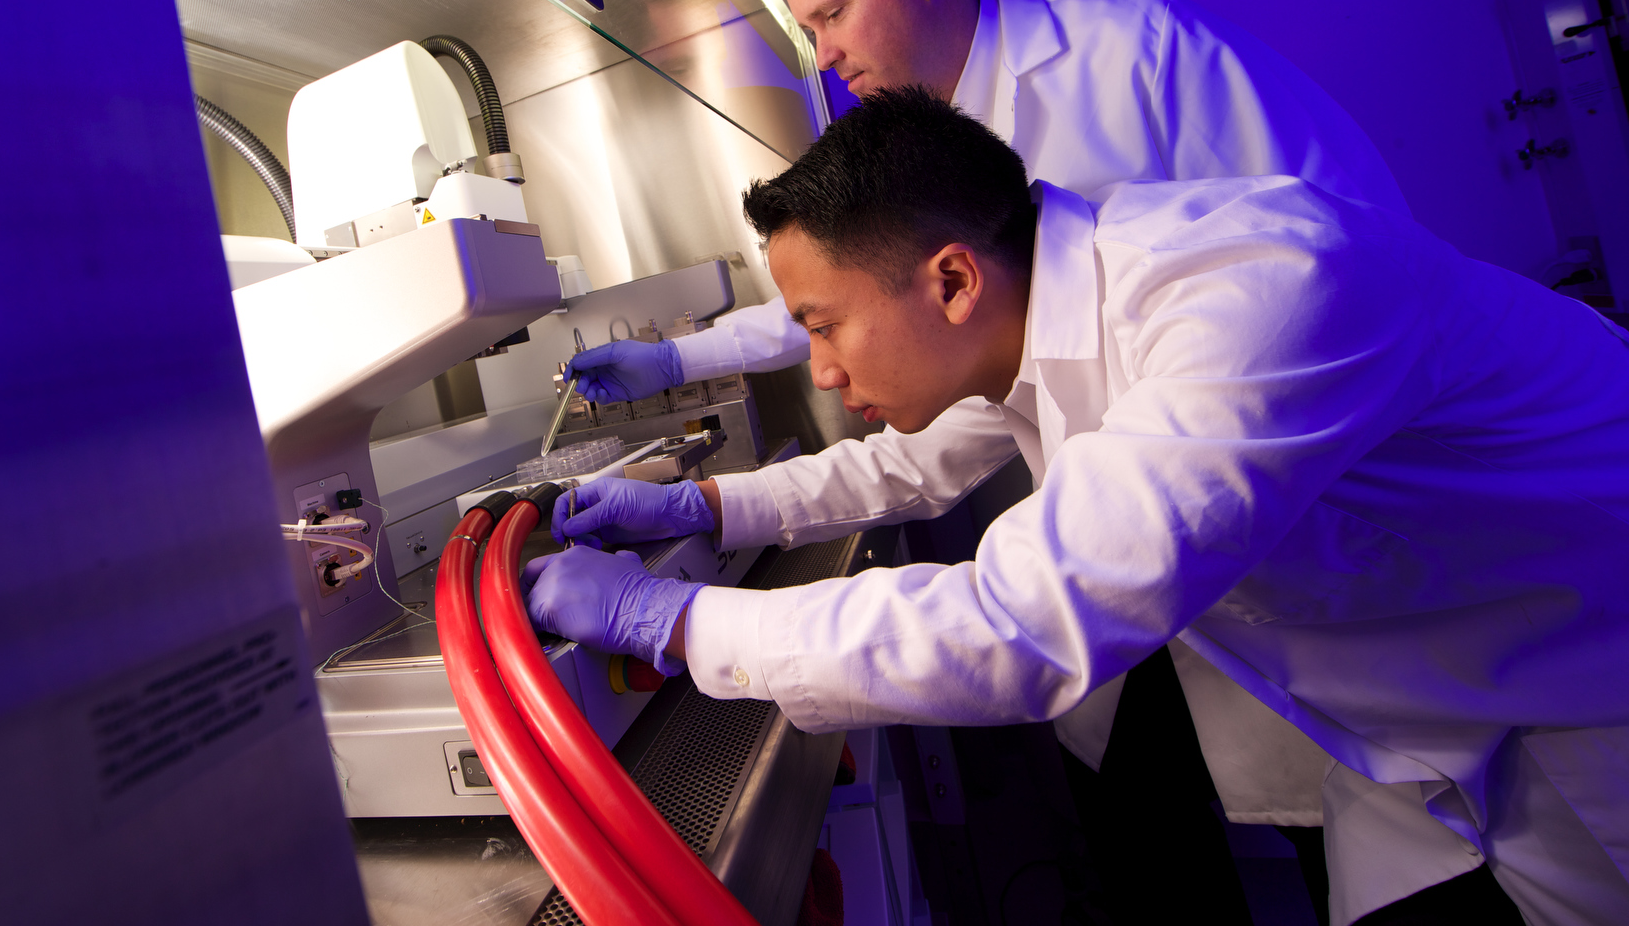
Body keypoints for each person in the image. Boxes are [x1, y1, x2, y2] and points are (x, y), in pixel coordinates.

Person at [526, 89, 1629, 925]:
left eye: (823, 326)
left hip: (1582, 667)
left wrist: (668, 623)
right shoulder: (1044, 305)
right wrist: (703, 506)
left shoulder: (1246, 298)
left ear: (952, 280)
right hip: (1425, 697)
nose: (817, 371)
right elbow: (900, 468)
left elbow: (1021, 622)